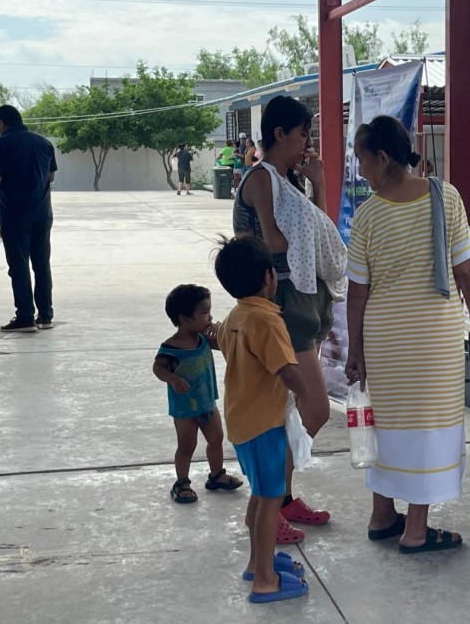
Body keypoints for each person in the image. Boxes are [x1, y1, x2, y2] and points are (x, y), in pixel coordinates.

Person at [344, 115, 470, 553]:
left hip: (385, 337)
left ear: (384, 157)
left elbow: (357, 292)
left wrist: (356, 348)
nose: (360, 171)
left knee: (386, 423)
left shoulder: (368, 214)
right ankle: (415, 530)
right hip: (432, 337)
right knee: (429, 426)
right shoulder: (444, 196)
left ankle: (381, 514)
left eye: (362, 160)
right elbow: (466, 268)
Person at [233, 95, 346, 543]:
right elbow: (274, 243)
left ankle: (280, 499)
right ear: (279, 133)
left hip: (303, 301)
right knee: (312, 410)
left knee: (287, 412)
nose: (307, 144)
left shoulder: (287, 181)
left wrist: (316, 184)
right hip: (280, 304)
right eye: (303, 135)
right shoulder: (262, 178)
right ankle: (265, 505)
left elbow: (321, 229)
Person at [214, 236, 311, 603]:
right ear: (270, 277)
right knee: (271, 498)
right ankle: (265, 580)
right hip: (265, 424)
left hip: (242, 422)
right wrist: (304, 393)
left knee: (260, 494)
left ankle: (259, 562)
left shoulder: (235, 317)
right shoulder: (267, 321)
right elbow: (286, 368)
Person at [153, 284, 243, 503]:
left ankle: (217, 475)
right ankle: (182, 482)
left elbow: (226, 345)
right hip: (184, 409)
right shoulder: (171, 347)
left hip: (207, 403)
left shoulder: (203, 340)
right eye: (204, 313)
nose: (210, 317)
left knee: (216, 439)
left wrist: (221, 332)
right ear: (185, 319)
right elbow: (159, 368)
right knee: (187, 445)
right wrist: (173, 379)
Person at [0, 105, 56, 333]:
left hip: (15, 214)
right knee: (41, 264)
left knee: (19, 265)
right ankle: (45, 315)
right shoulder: (43, 143)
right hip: (43, 213)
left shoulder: (1, 145)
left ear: (2, 123)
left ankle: (25, 316)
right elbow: (51, 175)